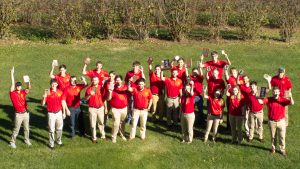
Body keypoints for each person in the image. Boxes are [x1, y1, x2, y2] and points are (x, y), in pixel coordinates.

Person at [263, 87, 294, 156]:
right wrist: (263, 94)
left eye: (277, 92)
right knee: (273, 137)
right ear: (272, 92)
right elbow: (261, 101)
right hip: (272, 122)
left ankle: (282, 150)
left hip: (281, 121)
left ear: (279, 92)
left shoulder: (282, 99)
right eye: (274, 91)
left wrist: (291, 97)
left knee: (282, 137)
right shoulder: (269, 99)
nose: (275, 93)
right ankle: (273, 149)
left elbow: (292, 103)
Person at [42, 79, 70, 149]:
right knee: (51, 130)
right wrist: (44, 97)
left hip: (59, 113)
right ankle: (51, 144)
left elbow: (63, 102)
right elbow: (42, 104)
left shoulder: (60, 92)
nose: (54, 85)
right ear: (50, 84)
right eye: (52, 84)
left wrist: (64, 112)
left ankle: (59, 141)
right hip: (51, 113)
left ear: (57, 85)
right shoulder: (47, 91)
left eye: (55, 84)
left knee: (59, 128)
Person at [9, 67, 32, 149]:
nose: (19, 87)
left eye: (19, 86)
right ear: (15, 87)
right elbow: (12, 83)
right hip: (18, 114)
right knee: (16, 129)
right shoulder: (13, 94)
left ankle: (26, 140)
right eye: (17, 86)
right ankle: (12, 142)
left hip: (25, 113)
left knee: (26, 128)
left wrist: (28, 81)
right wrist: (12, 74)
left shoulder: (23, 92)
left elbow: (29, 88)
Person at [85, 76, 107, 143]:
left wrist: (105, 108)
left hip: (100, 108)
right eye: (93, 80)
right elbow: (85, 99)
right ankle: (94, 138)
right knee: (92, 124)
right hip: (92, 108)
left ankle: (102, 135)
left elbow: (104, 99)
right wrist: (89, 95)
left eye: (96, 80)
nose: (94, 81)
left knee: (101, 122)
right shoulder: (89, 89)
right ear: (92, 81)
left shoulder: (101, 88)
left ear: (98, 81)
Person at [107, 75, 129, 143]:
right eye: (116, 80)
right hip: (115, 109)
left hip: (124, 108)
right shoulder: (112, 87)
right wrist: (110, 92)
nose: (117, 81)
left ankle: (122, 134)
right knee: (116, 123)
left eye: (119, 80)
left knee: (122, 122)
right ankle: (114, 137)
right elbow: (108, 99)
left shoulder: (125, 86)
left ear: (121, 80)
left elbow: (130, 90)